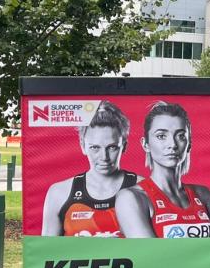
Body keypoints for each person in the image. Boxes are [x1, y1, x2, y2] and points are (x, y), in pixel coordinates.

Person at [115, 101, 210, 239]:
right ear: (145, 144)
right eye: (161, 136)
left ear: (189, 144)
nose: (172, 144)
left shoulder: (203, 193)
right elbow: (151, 257)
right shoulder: (132, 197)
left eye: (180, 136)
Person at [41, 101, 139, 237]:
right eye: (95, 147)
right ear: (82, 145)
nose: (104, 157)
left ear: (125, 146)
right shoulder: (59, 193)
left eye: (112, 147)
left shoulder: (146, 189)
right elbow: (46, 253)